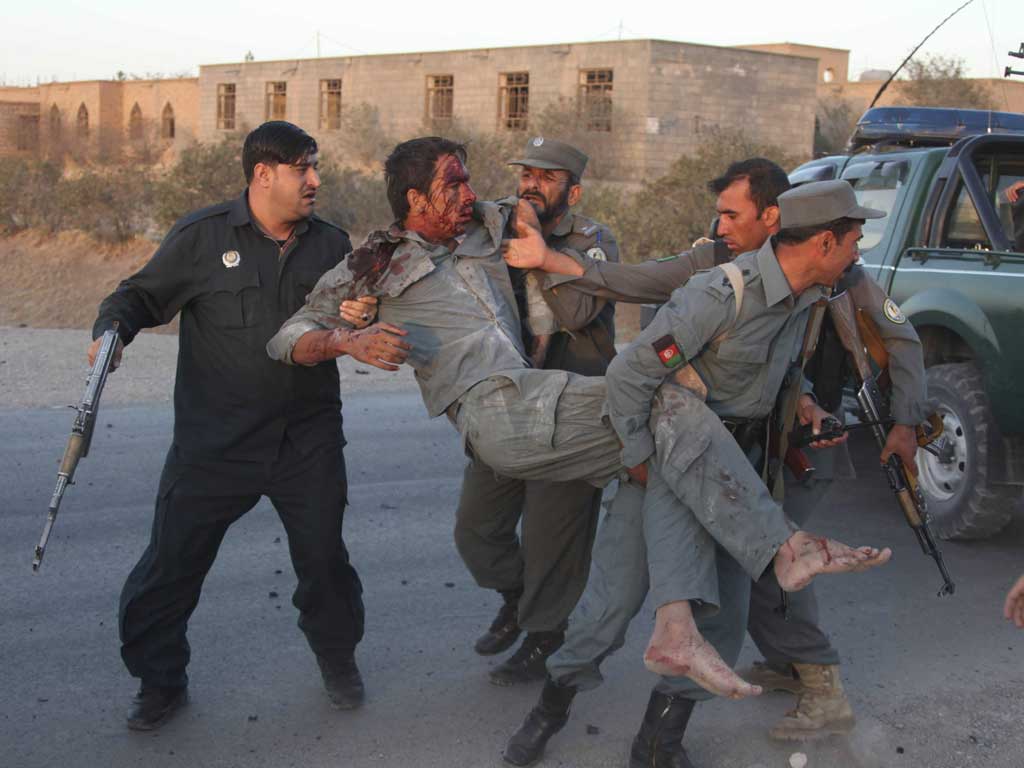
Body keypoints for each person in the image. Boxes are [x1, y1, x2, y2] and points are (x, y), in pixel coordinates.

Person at [267, 137, 891, 704]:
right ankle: (782, 549)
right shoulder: (376, 261)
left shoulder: (489, 223)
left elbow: (533, 211)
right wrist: (347, 341)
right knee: (658, 409)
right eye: (453, 183)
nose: (470, 193)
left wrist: (537, 227)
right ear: (415, 198)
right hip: (496, 408)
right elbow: (289, 335)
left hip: (542, 398)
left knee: (665, 451)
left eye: (468, 181)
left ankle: (674, 627)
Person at [503, 158, 929, 751]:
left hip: (738, 473)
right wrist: (637, 457)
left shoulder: (813, 296)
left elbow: (770, 375)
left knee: (722, 620)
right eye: (855, 237)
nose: (860, 248)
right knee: (610, 610)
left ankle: (660, 739)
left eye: (733, 213)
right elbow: (632, 372)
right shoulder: (721, 290)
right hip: (664, 462)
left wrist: (806, 403)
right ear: (824, 240)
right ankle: (549, 711)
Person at [88, 121, 410, 730]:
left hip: (306, 440)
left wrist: (367, 310)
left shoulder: (332, 244)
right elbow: (138, 297)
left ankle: (337, 659)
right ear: (264, 174)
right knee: (170, 566)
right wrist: (111, 332)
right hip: (215, 442)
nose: (315, 180)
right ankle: (160, 682)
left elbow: (370, 307)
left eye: (316, 167)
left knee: (325, 565)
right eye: (302, 168)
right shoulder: (203, 238)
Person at [456, 137, 619, 685]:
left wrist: (538, 251)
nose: (531, 184)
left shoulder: (594, 242)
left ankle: (545, 637)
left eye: (546, 178)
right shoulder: (490, 232)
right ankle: (516, 597)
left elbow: (577, 311)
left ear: (571, 191)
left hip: (571, 407)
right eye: (526, 173)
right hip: (508, 402)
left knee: (555, 540)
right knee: (477, 530)